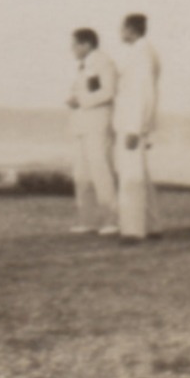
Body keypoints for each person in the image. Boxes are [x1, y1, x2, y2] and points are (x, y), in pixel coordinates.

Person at [113, 13, 163, 243]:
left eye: (122, 28)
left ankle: (133, 230)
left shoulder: (142, 53)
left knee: (131, 177)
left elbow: (144, 93)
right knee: (140, 175)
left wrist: (135, 127)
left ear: (131, 29)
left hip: (132, 123)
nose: (120, 32)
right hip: (131, 121)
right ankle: (152, 226)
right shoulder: (141, 52)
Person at [65, 27, 119, 236]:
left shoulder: (103, 62)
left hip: (97, 124)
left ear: (86, 44)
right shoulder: (84, 65)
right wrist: (74, 98)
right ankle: (86, 220)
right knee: (82, 174)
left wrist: (81, 100)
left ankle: (111, 220)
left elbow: (108, 91)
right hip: (81, 125)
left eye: (74, 45)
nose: (72, 49)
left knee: (101, 171)